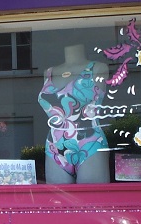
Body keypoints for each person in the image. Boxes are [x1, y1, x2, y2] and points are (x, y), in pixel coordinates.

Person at [37, 44, 110, 184]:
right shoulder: (49, 73)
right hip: (55, 146)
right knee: (57, 198)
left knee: (92, 197)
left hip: (89, 142)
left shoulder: (98, 68)